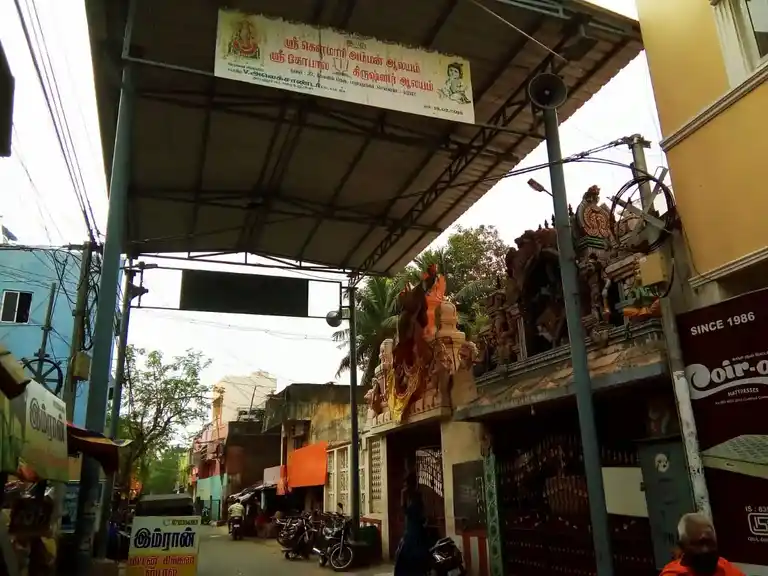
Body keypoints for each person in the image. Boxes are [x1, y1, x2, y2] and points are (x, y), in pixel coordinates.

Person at [661, 513, 744, 576]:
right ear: (682, 546)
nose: (706, 550)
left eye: (710, 543)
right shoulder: (673, 574)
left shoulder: (724, 567)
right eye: (699, 544)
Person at [394, 472, 430, 576]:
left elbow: (406, 510)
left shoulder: (414, 497)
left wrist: (402, 496)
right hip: (414, 530)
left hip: (414, 531)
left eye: (406, 484)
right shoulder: (413, 496)